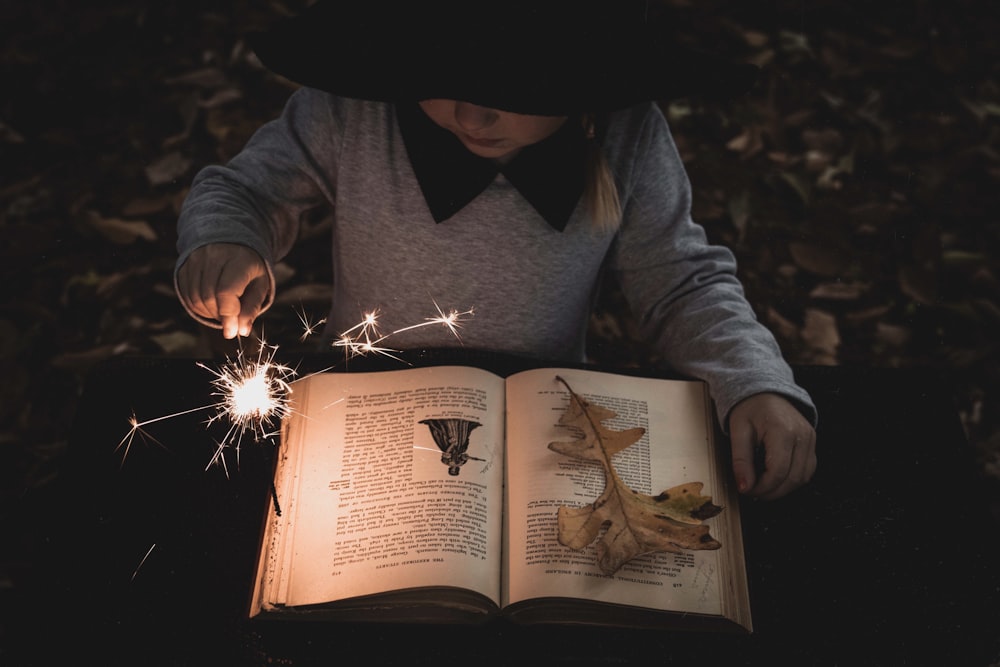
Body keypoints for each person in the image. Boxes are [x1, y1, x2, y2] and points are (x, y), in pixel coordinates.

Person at [174, 0, 817, 500]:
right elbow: (246, 190)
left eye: (514, 89)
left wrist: (751, 382)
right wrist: (229, 239)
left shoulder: (627, 137)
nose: (473, 117)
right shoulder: (352, 114)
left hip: (545, 428)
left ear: (584, 77)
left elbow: (680, 282)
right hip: (366, 416)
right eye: (443, 77)